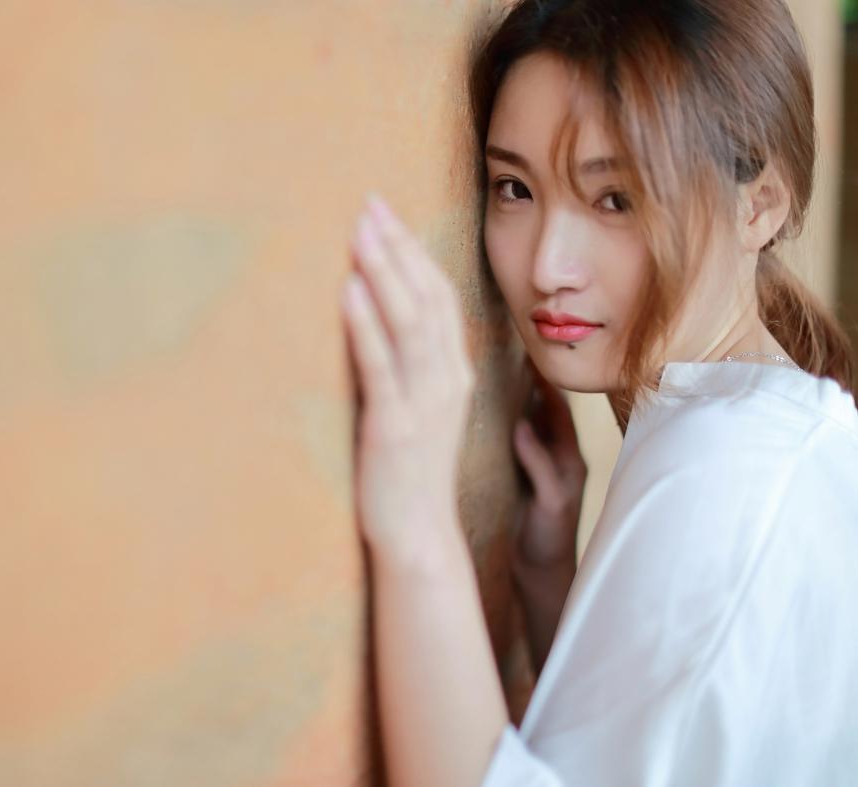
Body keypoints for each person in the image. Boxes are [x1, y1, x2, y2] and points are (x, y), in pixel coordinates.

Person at [339, 1, 858, 785]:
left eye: (615, 199)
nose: (548, 265)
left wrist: (416, 522)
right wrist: (553, 579)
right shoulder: (761, 436)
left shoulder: (729, 474)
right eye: (514, 187)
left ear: (759, 205)